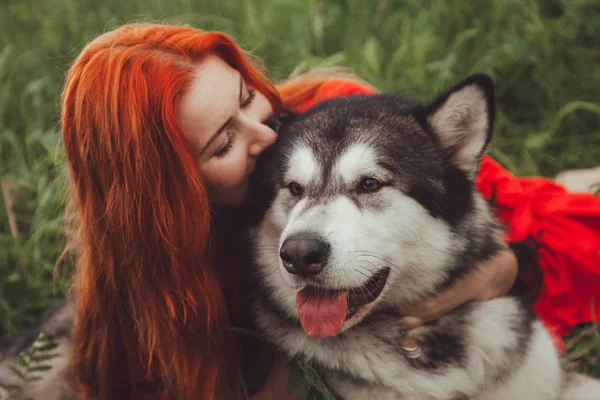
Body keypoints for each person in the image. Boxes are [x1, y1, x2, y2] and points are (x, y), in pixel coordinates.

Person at [59, 22, 600, 400]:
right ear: (165, 187)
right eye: (222, 144)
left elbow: (514, 219)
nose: (268, 136)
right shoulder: (153, 286)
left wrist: (500, 269)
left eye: (247, 98)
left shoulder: (333, 116)